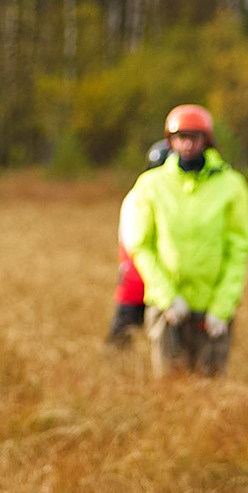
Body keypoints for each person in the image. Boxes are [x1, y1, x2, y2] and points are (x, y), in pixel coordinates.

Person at [119, 104, 248, 377]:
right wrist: (167, 298)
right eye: (181, 137)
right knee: (170, 390)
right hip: (168, 309)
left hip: (212, 310)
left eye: (194, 137)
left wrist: (222, 307)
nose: (188, 144)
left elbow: (238, 250)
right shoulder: (150, 185)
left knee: (210, 392)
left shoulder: (232, 186)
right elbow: (141, 245)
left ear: (207, 140)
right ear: (170, 141)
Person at [104, 136, 172, 348]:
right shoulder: (141, 196)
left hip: (140, 274)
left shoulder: (138, 194)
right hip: (141, 274)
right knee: (125, 332)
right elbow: (135, 241)